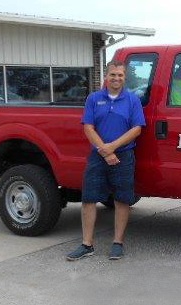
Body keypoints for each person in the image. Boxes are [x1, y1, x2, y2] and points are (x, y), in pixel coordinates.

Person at [66, 61, 145, 261]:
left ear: (125, 77)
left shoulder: (132, 100)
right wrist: (105, 151)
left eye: (120, 75)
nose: (116, 79)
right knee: (89, 198)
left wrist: (112, 147)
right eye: (112, 75)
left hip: (124, 155)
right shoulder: (94, 99)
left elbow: (137, 129)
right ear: (106, 76)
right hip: (98, 156)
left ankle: (117, 243)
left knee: (122, 199)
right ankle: (87, 244)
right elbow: (88, 127)